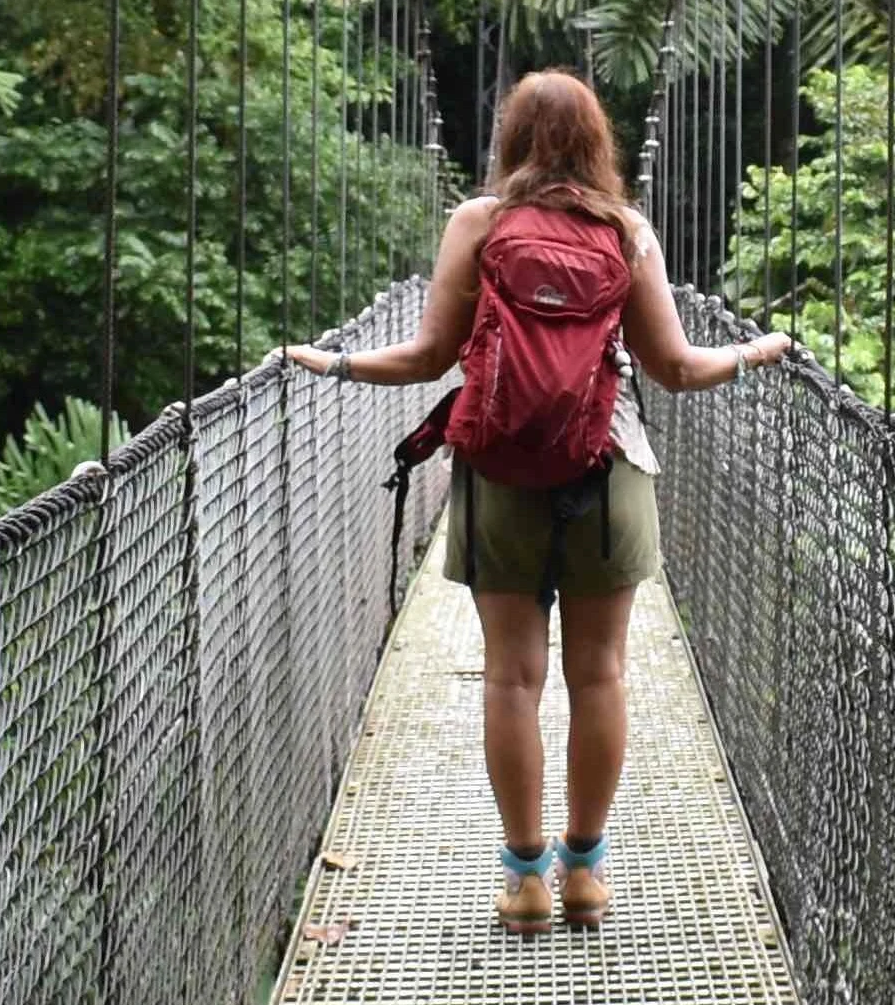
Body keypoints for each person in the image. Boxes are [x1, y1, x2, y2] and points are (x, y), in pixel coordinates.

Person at [283, 72, 788, 932]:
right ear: (600, 144)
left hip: (503, 476)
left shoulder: (476, 225)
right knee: (602, 674)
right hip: (609, 468)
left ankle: (524, 882)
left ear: (506, 140)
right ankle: (585, 871)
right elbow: (672, 368)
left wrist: (333, 363)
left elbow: (427, 355)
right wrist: (756, 350)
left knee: (512, 678)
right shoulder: (627, 232)